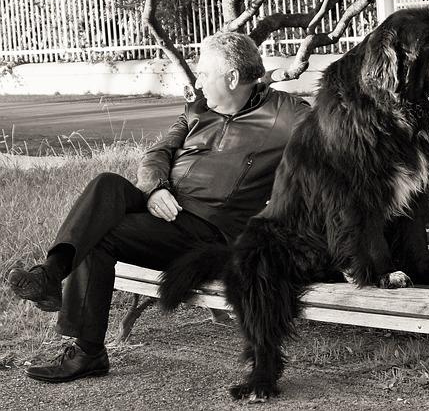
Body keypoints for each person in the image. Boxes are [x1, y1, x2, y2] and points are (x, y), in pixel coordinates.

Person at [8, 32, 310, 383]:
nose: (197, 82)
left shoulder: (287, 117)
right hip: (163, 206)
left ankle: (86, 350)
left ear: (231, 77)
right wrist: (155, 189)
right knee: (107, 183)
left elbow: (337, 139)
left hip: (206, 228)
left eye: (204, 74)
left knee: (99, 236)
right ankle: (49, 275)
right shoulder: (198, 110)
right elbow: (157, 154)